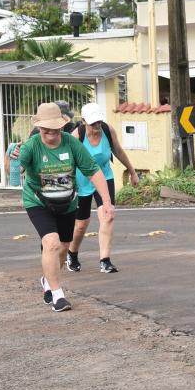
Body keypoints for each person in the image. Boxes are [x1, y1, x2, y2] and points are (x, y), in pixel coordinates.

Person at [19, 102, 115, 312]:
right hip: (38, 202)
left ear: (62, 127)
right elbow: (17, 165)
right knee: (51, 243)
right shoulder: (32, 145)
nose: (50, 134)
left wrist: (106, 202)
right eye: (45, 130)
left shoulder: (72, 144)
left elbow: (93, 171)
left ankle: (47, 279)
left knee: (63, 247)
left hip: (68, 202)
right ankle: (57, 294)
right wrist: (15, 159)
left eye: (54, 130)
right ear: (39, 128)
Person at [66, 102, 139, 274]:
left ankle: (105, 260)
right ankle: (72, 253)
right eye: (93, 123)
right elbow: (66, 162)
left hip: (104, 178)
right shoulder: (76, 136)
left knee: (108, 216)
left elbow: (119, 151)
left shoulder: (108, 130)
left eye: (99, 121)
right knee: (81, 224)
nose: (97, 126)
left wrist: (133, 172)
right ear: (84, 121)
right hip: (81, 181)